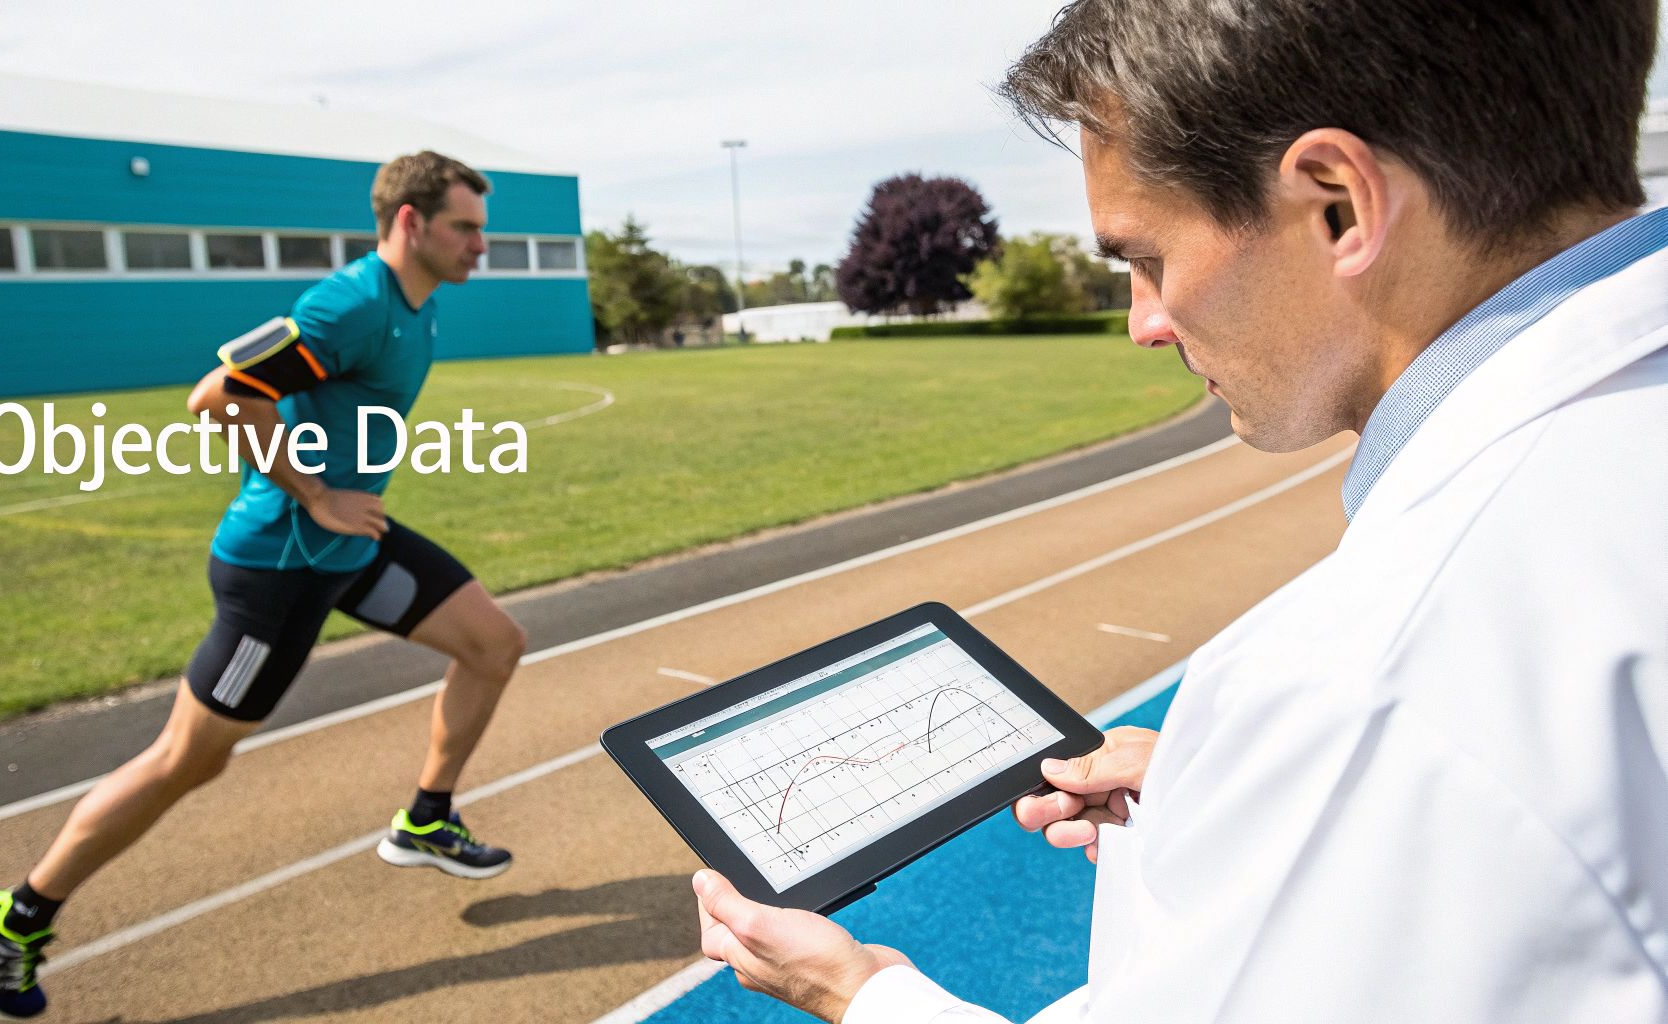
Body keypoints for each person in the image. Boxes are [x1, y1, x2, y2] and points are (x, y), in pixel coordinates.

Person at [694, 1, 1667, 1020]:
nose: (1142, 324)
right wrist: (1249, 792)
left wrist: (860, 990)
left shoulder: (1361, 683)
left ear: (1335, 203)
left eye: (1145, 257)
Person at [0, 150, 529, 1020]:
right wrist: (316, 493)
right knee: (191, 759)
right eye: (467, 227)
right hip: (281, 564)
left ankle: (426, 819)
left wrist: (339, 501)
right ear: (411, 222)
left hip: (349, 547)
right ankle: (13, 918)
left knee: (493, 644)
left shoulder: (419, 304)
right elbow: (218, 397)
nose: (482, 244)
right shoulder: (352, 304)